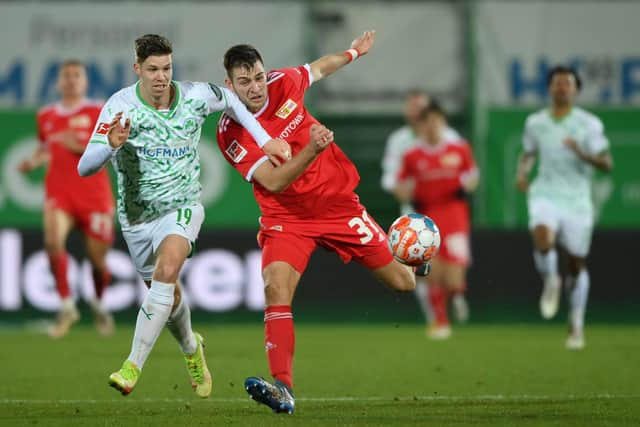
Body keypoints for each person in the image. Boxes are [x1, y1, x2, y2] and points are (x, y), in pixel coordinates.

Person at [217, 30, 429, 415]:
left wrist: (352, 53)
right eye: (244, 82)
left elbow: (318, 68)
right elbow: (276, 181)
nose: (255, 87)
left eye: (259, 77)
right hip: (287, 218)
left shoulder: (284, 83)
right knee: (274, 288)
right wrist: (313, 149)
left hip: (338, 207)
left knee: (405, 281)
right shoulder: (231, 132)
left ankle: (419, 253)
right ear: (229, 85)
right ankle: (283, 388)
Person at [77, 34, 288, 397]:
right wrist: (110, 146)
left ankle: (131, 366)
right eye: (153, 69)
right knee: (167, 295)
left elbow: (235, 105)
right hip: (137, 218)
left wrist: (264, 140)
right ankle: (192, 347)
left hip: (183, 206)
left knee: (168, 269)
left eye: (167, 68)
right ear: (138, 69)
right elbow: (84, 166)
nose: (161, 76)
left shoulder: (195, 95)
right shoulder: (119, 107)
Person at [516, 65, 613, 350]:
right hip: (545, 192)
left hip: (577, 200)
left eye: (567, 84)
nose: (561, 88)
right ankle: (550, 279)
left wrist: (581, 153)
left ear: (576, 90)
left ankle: (576, 324)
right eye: (557, 83)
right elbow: (529, 153)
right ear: (549, 88)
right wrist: (522, 173)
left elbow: (607, 164)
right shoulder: (535, 123)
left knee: (576, 263)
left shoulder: (589, 124)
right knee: (542, 238)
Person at [18, 59, 115, 338]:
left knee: (97, 261)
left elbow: (110, 150)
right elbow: (45, 148)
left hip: (94, 196)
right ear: (58, 82)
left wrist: (80, 146)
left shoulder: (99, 111)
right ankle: (66, 304)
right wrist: (32, 162)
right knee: (51, 241)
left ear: (85, 82)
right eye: (66, 76)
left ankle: (98, 302)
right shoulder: (46, 115)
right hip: (59, 192)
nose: (71, 80)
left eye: (77, 75)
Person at [381, 90, 469, 328]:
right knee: (425, 268)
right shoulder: (399, 141)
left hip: (450, 210)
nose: (418, 113)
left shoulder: (450, 138)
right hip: (415, 215)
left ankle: (456, 297)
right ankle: (436, 318)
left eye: (422, 108)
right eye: (413, 107)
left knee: (455, 266)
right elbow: (390, 179)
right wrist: (408, 194)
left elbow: (468, 172)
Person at [394, 103, 479, 340]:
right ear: (421, 125)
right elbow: (400, 184)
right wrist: (406, 197)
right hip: (428, 220)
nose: (433, 126)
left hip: (455, 215)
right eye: (428, 121)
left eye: (437, 121)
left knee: (454, 277)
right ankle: (440, 322)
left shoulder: (459, 149)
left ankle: (459, 296)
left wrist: (468, 185)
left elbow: (472, 175)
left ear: (443, 123)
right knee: (433, 273)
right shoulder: (412, 155)